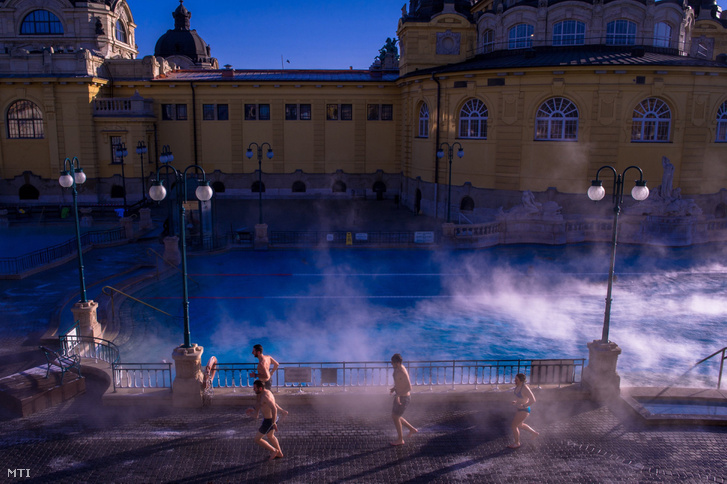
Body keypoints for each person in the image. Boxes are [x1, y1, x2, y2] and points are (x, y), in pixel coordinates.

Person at [250, 344, 289, 419]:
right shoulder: (268, 357)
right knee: (259, 398)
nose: (252, 353)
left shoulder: (262, 364)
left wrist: (255, 375)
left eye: (253, 351)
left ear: (258, 352)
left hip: (265, 382)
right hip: (266, 381)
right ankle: (256, 413)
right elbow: (276, 364)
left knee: (268, 399)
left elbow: (266, 376)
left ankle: (282, 412)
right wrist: (272, 372)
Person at [249, 380, 284, 460]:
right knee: (270, 436)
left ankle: (274, 450)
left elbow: (274, 408)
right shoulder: (262, 393)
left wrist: (273, 422)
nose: (253, 389)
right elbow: (259, 404)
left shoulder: (265, 396)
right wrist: (253, 411)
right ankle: (280, 453)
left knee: (257, 439)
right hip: (268, 419)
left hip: (269, 421)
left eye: (255, 388)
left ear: (260, 388)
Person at [389, 353, 418, 446]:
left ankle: (400, 439)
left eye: (392, 362)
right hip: (399, 396)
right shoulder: (397, 369)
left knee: (395, 417)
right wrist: (394, 388)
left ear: (397, 363)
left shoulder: (402, 371)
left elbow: (409, 387)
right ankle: (412, 429)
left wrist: (399, 395)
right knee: (395, 416)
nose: (391, 364)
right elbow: (400, 382)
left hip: (404, 398)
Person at [508, 373, 539, 449]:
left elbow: (533, 400)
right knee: (519, 424)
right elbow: (519, 397)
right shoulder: (518, 386)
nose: (515, 380)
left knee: (514, 425)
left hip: (524, 410)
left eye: (516, 379)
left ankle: (517, 443)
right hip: (520, 408)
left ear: (521, 380)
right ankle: (534, 433)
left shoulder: (525, 388)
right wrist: (515, 401)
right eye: (515, 379)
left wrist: (524, 405)